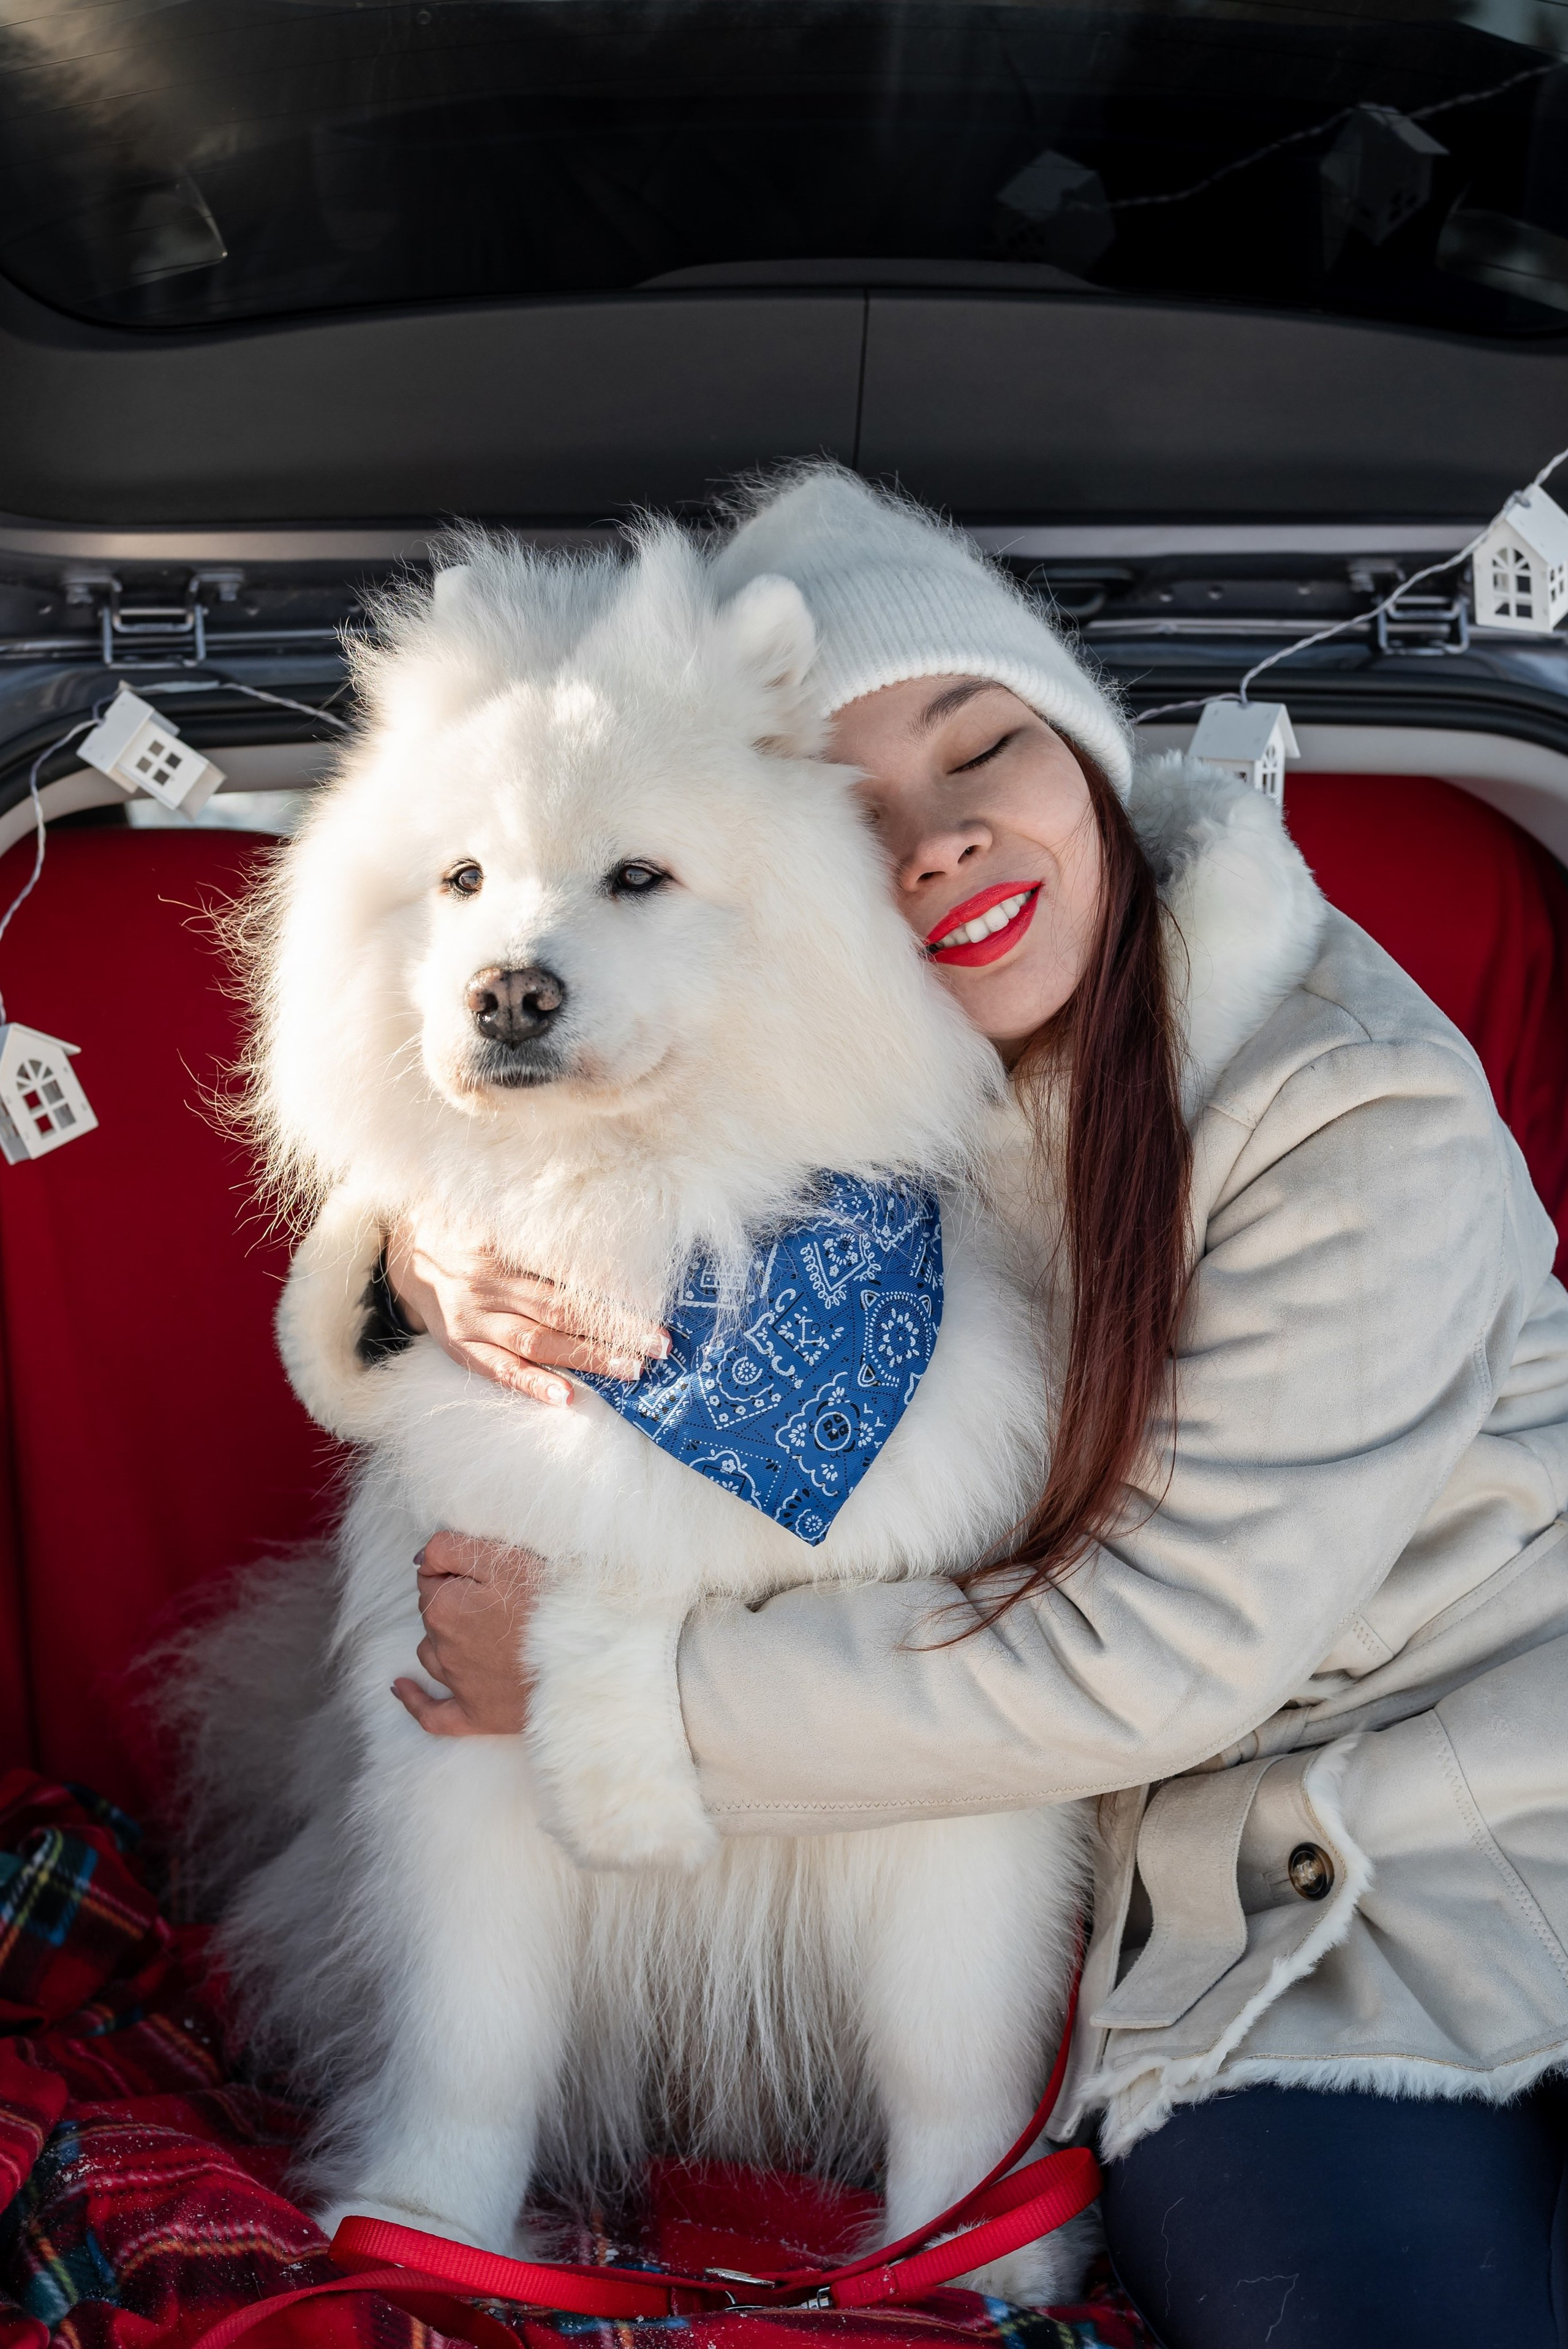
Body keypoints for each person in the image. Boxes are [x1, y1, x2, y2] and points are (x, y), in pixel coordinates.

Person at [340, 469, 1568, 2345]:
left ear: (1086, 756)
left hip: (1483, 1812)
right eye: (854, 808)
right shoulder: (888, 1097)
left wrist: (605, 1684)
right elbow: (580, 1127)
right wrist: (407, 1256)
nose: (931, 842)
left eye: (981, 747)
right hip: (1215, 1898)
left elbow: (1157, 1654)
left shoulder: (1350, 1112)